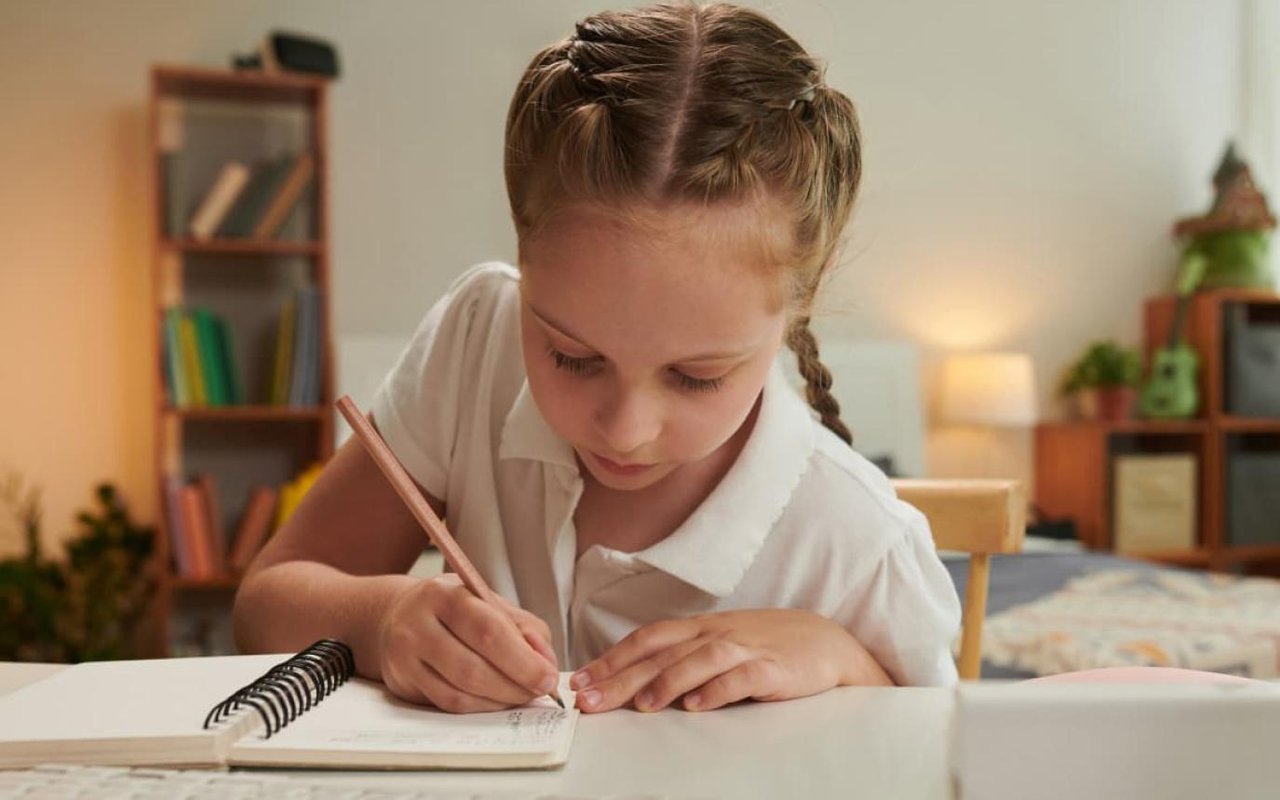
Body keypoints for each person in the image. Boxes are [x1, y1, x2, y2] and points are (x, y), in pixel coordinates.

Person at [234, 1, 961, 715]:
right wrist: (382, 620)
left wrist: (845, 661)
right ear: (521, 243)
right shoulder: (477, 339)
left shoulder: (861, 546)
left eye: (695, 375)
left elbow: (948, 759)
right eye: (573, 356)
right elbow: (263, 606)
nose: (624, 429)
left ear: (805, 294)